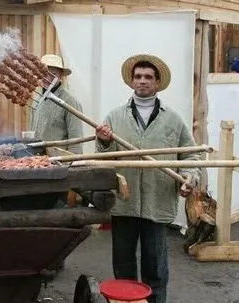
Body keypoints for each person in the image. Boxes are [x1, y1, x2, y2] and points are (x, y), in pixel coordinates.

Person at [95, 54, 201, 303]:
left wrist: (188, 177)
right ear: (131, 81)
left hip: (157, 202)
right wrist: (104, 141)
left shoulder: (173, 120)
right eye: (138, 76)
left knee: (155, 267)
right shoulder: (114, 118)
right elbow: (104, 159)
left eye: (148, 77)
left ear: (157, 82)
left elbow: (191, 156)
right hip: (124, 203)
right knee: (123, 266)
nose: (143, 81)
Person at [30, 54, 83, 154]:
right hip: (38, 161)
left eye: (53, 75)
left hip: (60, 163)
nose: (47, 78)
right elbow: (32, 135)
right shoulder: (36, 101)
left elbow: (76, 142)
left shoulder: (70, 101)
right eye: (44, 74)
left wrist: (73, 165)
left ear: (61, 76)